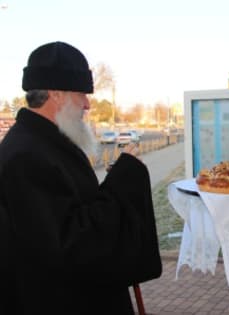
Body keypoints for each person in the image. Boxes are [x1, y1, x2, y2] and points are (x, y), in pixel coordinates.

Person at [0, 41, 162, 315]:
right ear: (56, 93)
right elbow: (70, 244)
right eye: (82, 94)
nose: (88, 104)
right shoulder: (26, 156)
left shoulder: (44, 143)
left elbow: (72, 211)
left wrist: (114, 184)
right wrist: (122, 183)